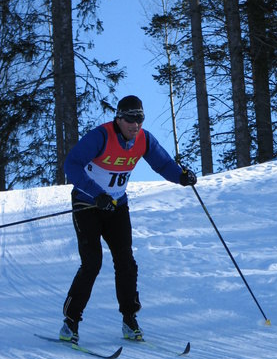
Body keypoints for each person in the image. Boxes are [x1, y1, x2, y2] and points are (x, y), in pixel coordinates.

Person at [59, 95, 197, 344]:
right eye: (131, 119)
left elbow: (163, 164)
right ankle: (70, 322)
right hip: (87, 203)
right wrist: (96, 194)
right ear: (119, 118)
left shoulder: (143, 139)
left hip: (116, 206)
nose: (136, 125)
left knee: (126, 262)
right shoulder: (101, 136)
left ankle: (129, 319)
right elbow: (72, 164)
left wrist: (181, 177)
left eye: (140, 119)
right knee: (92, 263)